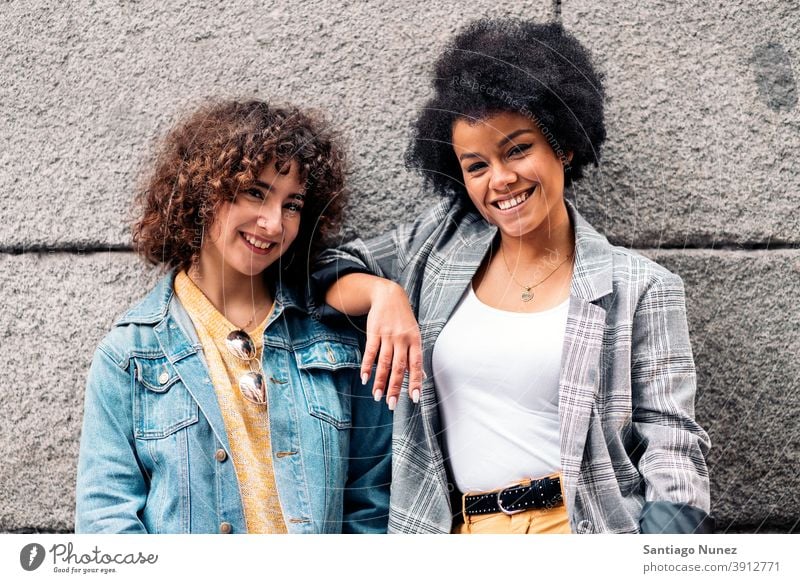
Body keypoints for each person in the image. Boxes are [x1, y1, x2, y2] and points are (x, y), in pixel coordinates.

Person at [313, 19, 713, 534]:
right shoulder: (436, 248)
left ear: (563, 147)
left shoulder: (642, 288)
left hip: (583, 530)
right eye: (476, 165)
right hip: (458, 533)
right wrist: (381, 292)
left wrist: (663, 556)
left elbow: (672, 443)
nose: (500, 179)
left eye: (518, 149)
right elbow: (320, 270)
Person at [75, 100, 391, 534]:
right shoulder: (130, 356)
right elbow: (106, 523)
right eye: (256, 193)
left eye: (293, 204)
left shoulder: (336, 339)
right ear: (204, 192)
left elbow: (371, 503)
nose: (274, 223)